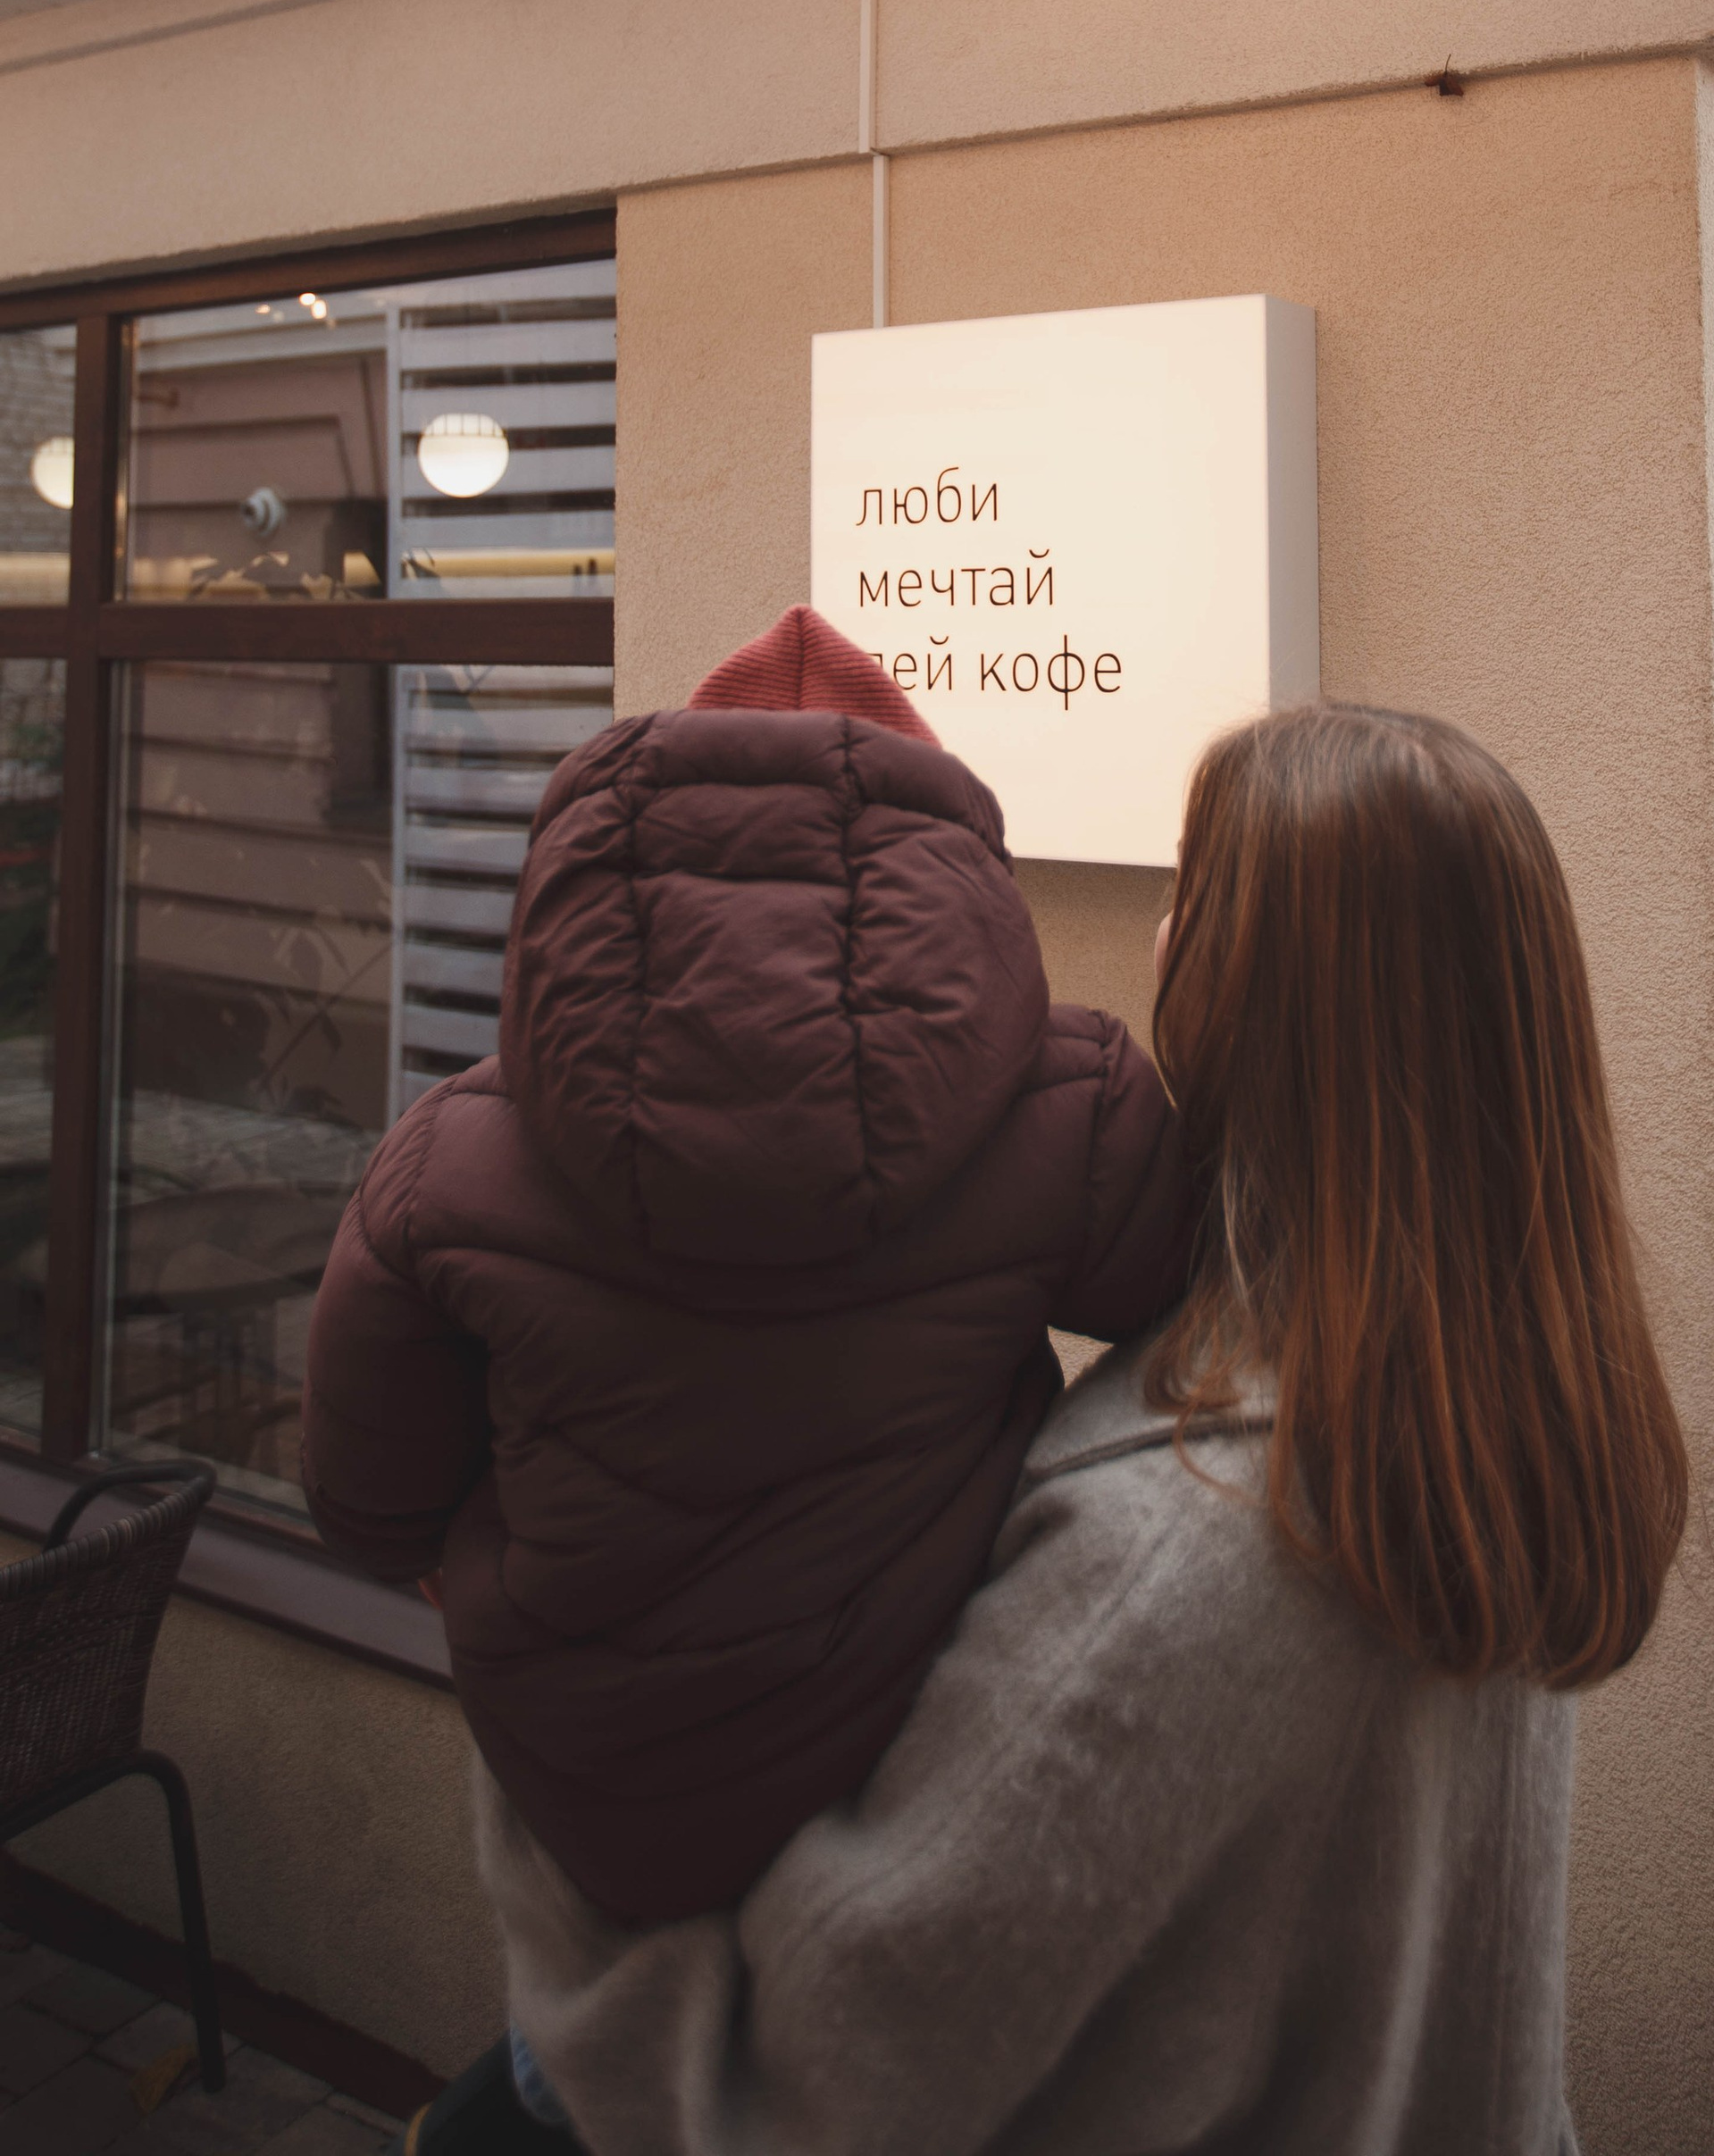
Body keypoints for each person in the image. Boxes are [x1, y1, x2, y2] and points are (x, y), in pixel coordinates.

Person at [474, 698, 1691, 2156]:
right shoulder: (1497, 1417)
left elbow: (790, 2089)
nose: (1165, 930)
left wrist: (538, 1721)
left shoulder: (1187, 1549)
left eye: (1192, 887)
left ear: (1255, 986)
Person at [297, 607, 1197, 2145]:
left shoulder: (452, 1151)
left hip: (596, 1797)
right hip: (911, 1767)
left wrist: (481, 1564)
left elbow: (363, 1500)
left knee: (574, 2083)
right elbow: (1188, 1317)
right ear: (940, 860)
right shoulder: (1084, 1106)